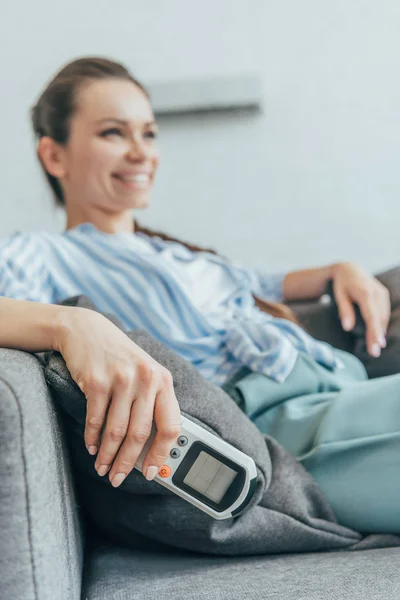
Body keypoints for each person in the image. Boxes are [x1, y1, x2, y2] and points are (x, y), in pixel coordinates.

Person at [0, 57, 396, 533]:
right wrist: (70, 324)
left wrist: (342, 269)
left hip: (340, 380)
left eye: (149, 133)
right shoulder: (41, 254)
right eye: (113, 133)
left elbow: (268, 282)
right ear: (54, 155)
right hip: (276, 423)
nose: (141, 152)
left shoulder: (174, 251)